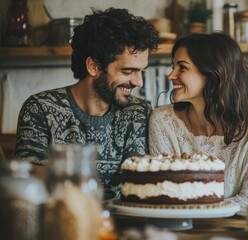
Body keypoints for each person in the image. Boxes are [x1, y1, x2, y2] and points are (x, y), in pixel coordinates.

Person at [14, 8, 159, 200]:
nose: (138, 82)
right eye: (127, 71)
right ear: (94, 66)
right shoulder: (40, 108)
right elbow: (31, 185)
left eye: (141, 71)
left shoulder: (139, 112)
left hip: (125, 225)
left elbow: (139, 187)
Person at [149, 32, 248, 209]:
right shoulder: (162, 121)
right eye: (173, 67)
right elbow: (166, 194)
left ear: (213, 74)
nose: (171, 75)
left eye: (182, 68)